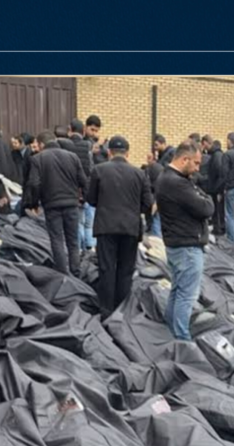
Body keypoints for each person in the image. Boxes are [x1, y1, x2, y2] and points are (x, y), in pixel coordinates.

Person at [87, 135, 153, 316]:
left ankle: (106, 310)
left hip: (106, 226)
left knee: (106, 268)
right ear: (128, 153)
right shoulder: (139, 173)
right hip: (130, 227)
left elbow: (91, 199)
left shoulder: (99, 170)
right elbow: (148, 203)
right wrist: (133, 210)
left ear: (109, 152)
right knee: (126, 270)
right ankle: (122, 310)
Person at [155, 140, 214, 341]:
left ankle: (170, 325)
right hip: (187, 245)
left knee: (178, 289)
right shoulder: (177, 183)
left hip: (177, 243)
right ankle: (181, 337)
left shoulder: (169, 178)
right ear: (184, 159)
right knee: (187, 295)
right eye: (196, 163)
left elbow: (202, 198)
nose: (197, 168)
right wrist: (206, 199)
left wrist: (203, 197)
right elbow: (206, 208)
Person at [25, 130, 87, 276]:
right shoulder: (72, 157)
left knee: (57, 240)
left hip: (51, 206)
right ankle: (76, 272)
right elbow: (83, 181)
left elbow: (34, 183)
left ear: (41, 144)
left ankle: (62, 274)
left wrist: (34, 203)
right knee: (73, 241)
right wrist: (83, 198)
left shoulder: (38, 159)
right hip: (71, 204)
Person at [66, 118, 96, 253]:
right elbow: (90, 168)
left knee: (77, 223)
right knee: (87, 223)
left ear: (70, 129)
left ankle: (78, 250)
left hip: (71, 191)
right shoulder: (87, 146)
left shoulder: (65, 145)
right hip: (84, 190)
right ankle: (89, 248)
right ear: (83, 131)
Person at [202, 137, 225, 236]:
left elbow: (220, 173)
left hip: (216, 189)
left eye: (204, 144)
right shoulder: (214, 155)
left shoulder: (217, 155)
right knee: (216, 210)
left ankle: (219, 229)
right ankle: (217, 229)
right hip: (215, 188)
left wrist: (218, 190)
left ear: (206, 143)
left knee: (217, 211)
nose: (203, 147)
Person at [143, 152, 164, 236]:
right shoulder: (161, 168)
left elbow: (151, 185)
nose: (147, 160)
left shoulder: (151, 169)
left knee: (155, 222)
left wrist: (154, 201)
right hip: (159, 197)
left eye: (149, 158)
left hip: (154, 198)